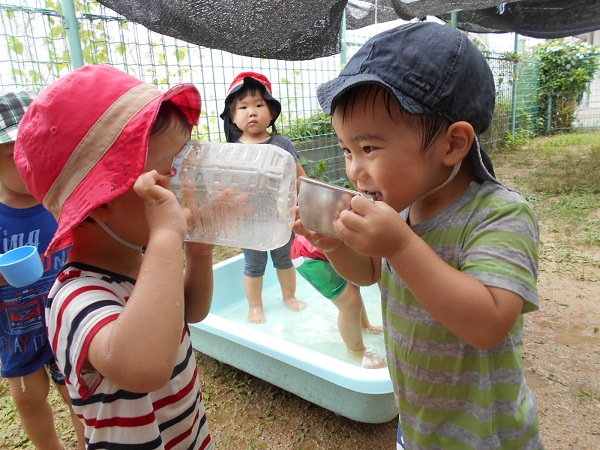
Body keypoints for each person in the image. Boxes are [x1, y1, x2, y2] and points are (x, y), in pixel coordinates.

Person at [294, 22, 544, 449]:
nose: (354, 169)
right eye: (346, 150)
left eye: (369, 148)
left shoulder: (499, 215)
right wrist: (334, 246)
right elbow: (371, 272)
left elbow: (489, 324)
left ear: (453, 144)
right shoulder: (403, 205)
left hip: (484, 435)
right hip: (417, 425)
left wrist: (401, 244)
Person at [14, 65, 214, 449]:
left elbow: (190, 310)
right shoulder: (74, 298)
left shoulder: (144, 261)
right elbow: (143, 367)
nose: (186, 186)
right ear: (101, 201)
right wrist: (166, 237)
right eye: (169, 175)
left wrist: (199, 254)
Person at [0, 90, 85, 450]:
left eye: (37, 150)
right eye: (15, 154)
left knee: (76, 393)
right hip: (17, 327)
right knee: (28, 397)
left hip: (64, 319)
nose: (31, 162)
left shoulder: (62, 202)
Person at [220, 71, 307, 324]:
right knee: (254, 264)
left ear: (271, 112)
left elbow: (299, 177)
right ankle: (255, 306)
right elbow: (227, 186)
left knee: (284, 260)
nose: (252, 112)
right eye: (243, 107)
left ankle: (289, 296)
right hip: (250, 220)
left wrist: (304, 203)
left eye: (259, 105)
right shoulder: (232, 150)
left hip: (281, 216)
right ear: (232, 116)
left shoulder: (282, 144)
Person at [290, 234, 386, 368]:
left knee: (354, 286)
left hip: (330, 248)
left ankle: (365, 326)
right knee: (350, 303)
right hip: (308, 255)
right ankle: (355, 351)